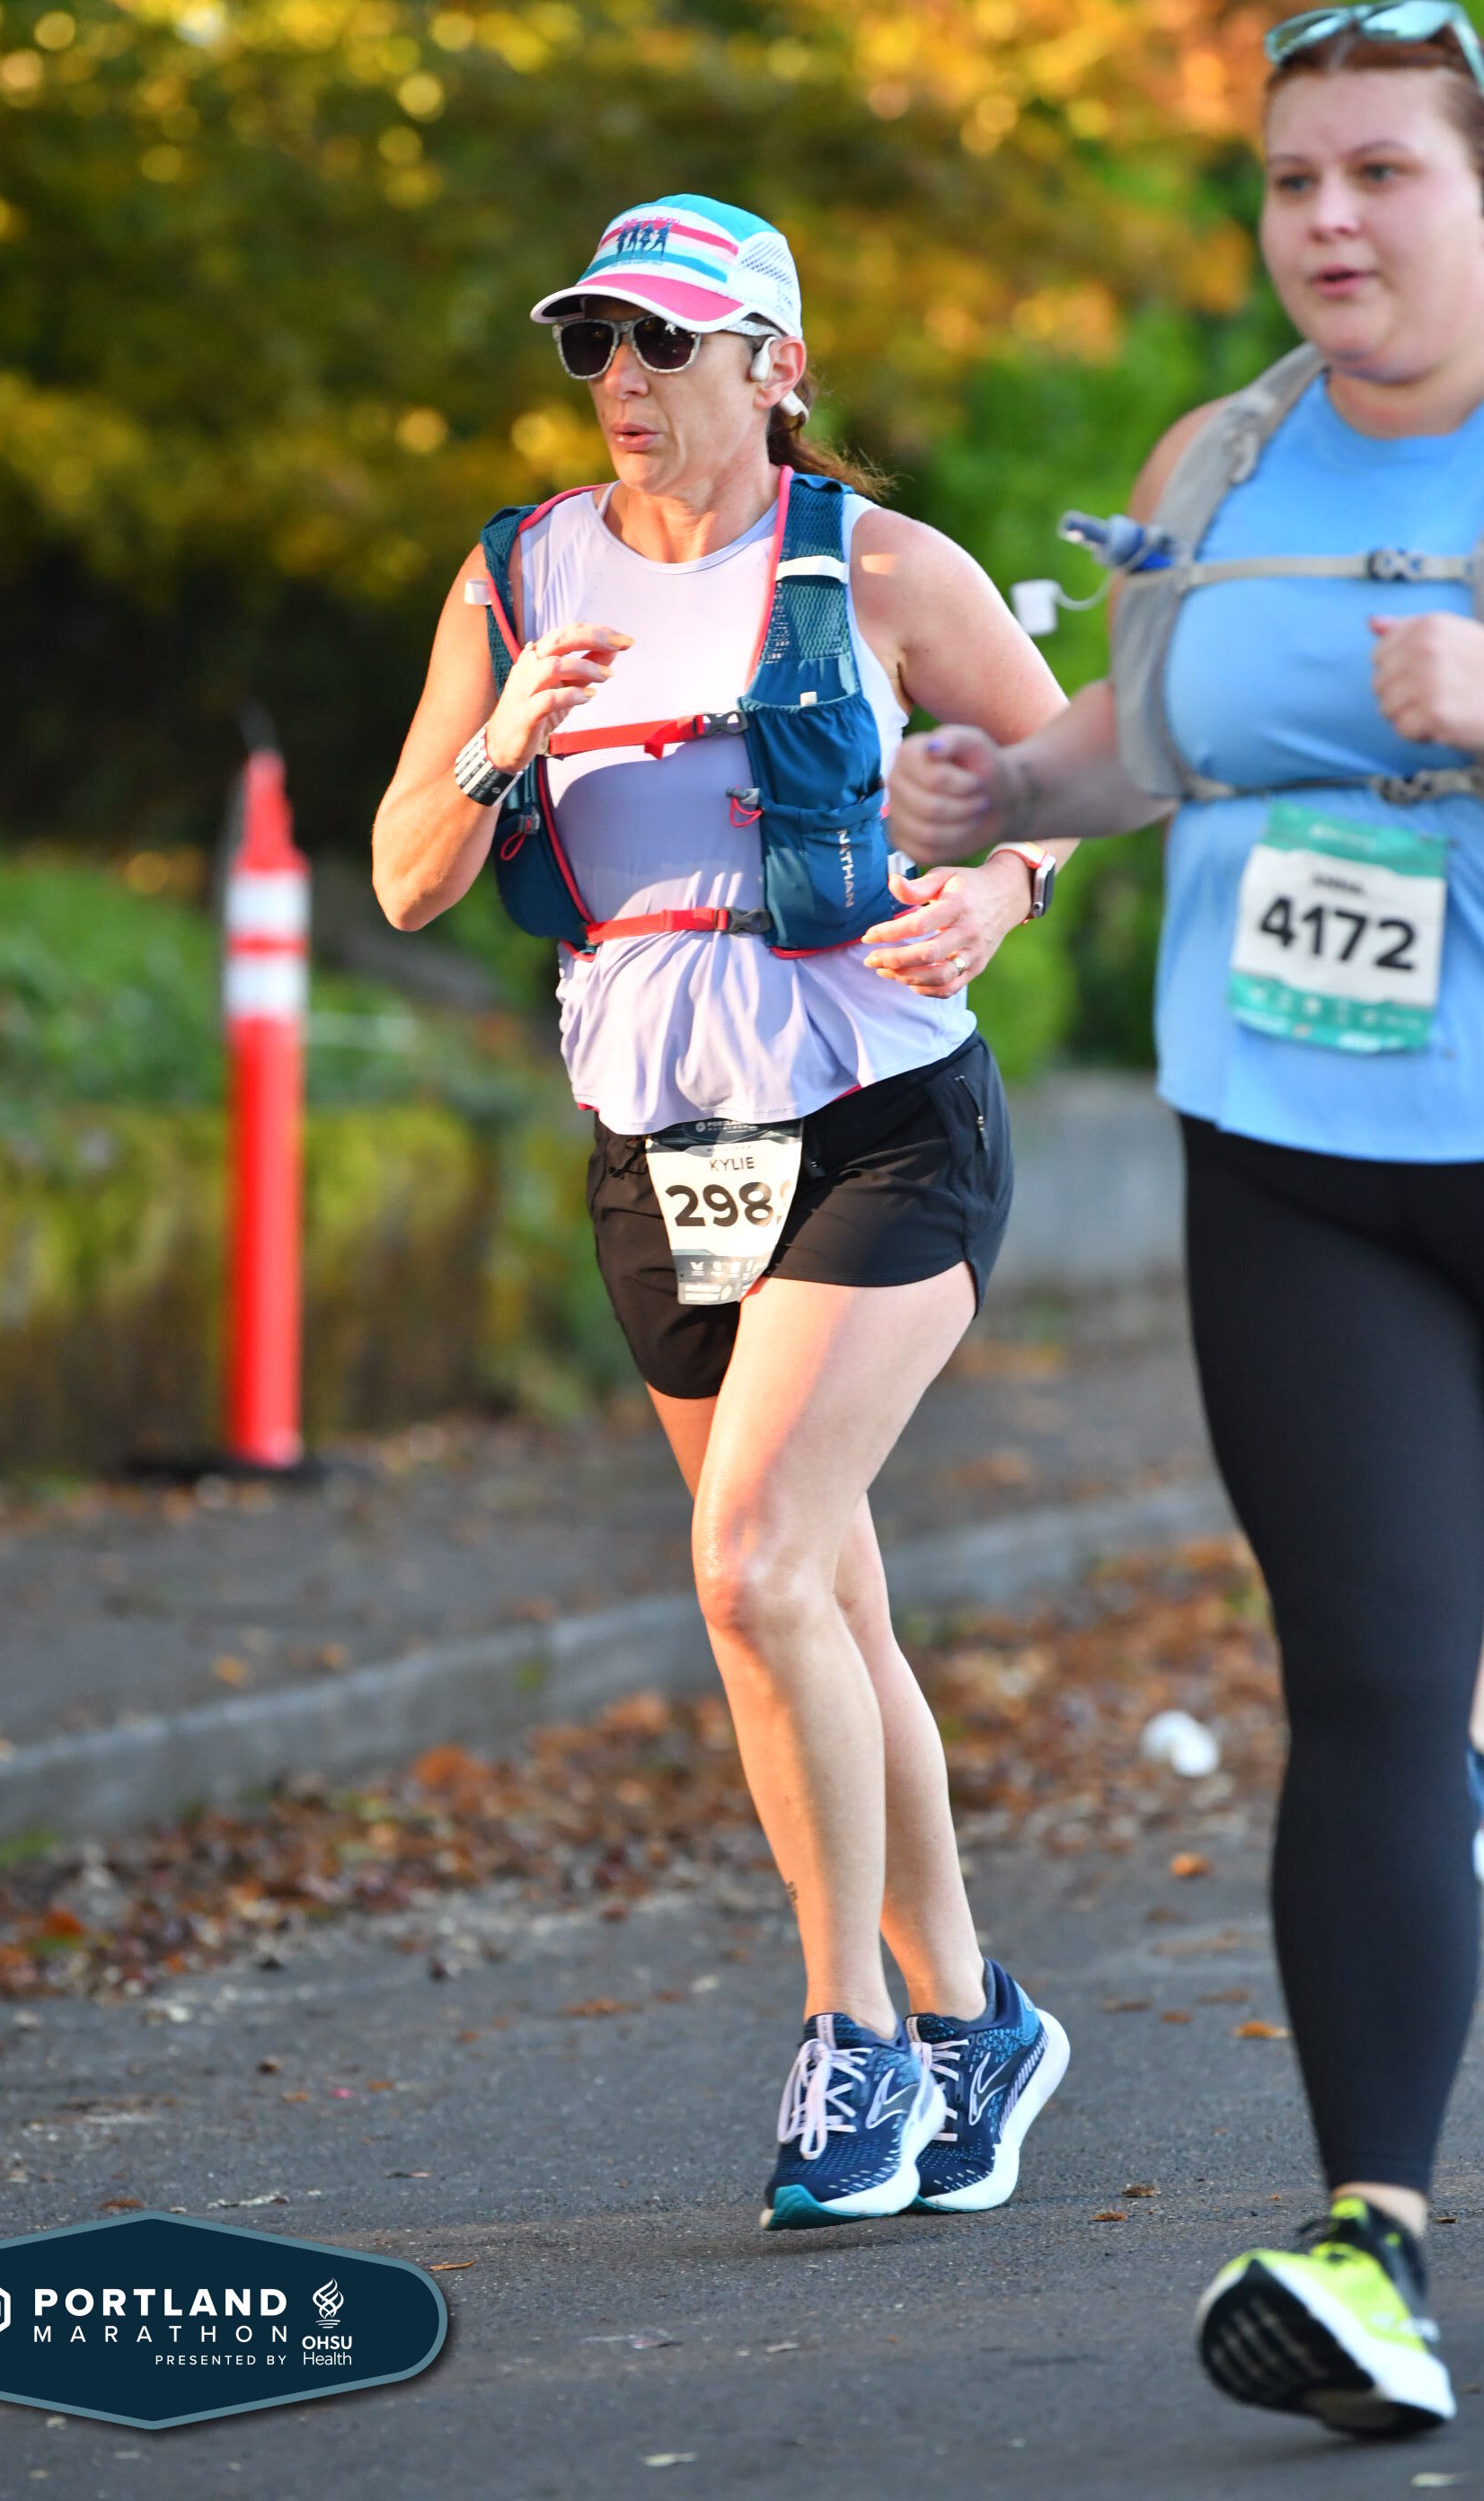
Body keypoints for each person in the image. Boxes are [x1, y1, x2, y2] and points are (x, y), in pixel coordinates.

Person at [884, 2, 1484, 2437]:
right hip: (1304, 1157)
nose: (1324, 219)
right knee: (1373, 1684)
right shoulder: (1222, 458)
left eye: (1381, 172)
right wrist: (997, 789)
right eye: (1289, 177)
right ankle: (1371, 2249)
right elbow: (1143, 737)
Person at [373, 194, 1072, 2231]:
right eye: (594, 341)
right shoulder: (513, 575)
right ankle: (979, 2022)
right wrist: (502, 742)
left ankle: (854, 2042)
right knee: (821, 1600)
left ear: (776, 368)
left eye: (666, 342)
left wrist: (999, 893)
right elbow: (407, 879)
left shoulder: (882, 566)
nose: (622, 379)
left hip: (881, 1116)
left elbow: (1073, 782)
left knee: (753, 1565)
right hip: (660, 1147)